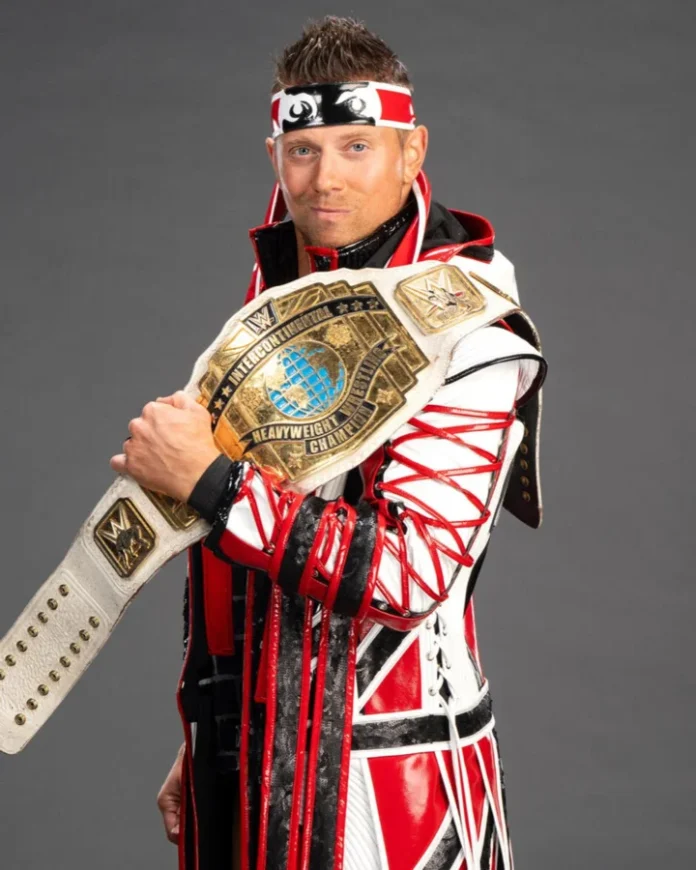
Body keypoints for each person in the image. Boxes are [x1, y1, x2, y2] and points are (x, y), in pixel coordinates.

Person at [110, 16, 547, 870]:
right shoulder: (283, 308)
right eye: (303, 150)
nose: (325, 179)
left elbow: (409, 573)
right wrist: (220, 732)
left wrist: (212, 483)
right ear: (275, 156)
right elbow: (260, 575)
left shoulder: (469, 336)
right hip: (258, 761)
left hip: (397, 793)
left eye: (356, 146)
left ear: (411, 152)